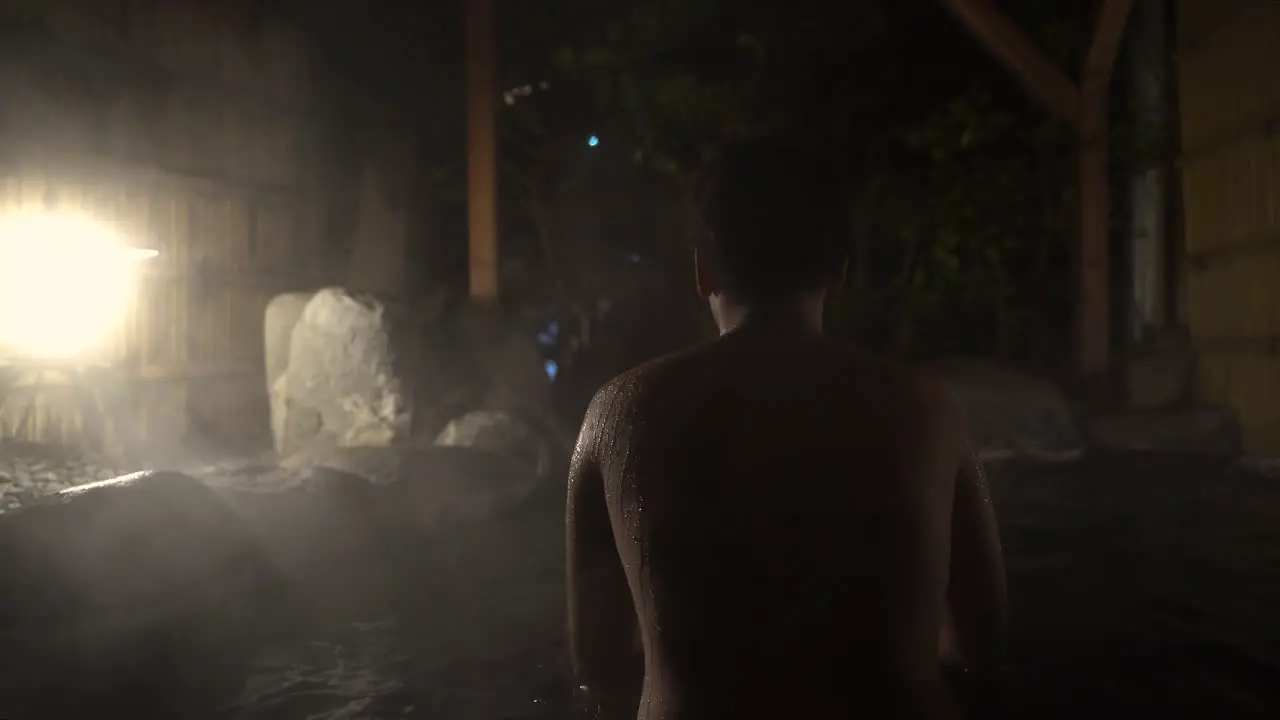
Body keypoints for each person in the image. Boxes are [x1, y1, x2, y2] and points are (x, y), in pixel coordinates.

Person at [566, 137, 1008, 719]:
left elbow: (596, 665)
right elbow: (981, 647)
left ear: (704, 269)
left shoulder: (613, 413)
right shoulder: (928, 410)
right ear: (840, 271)